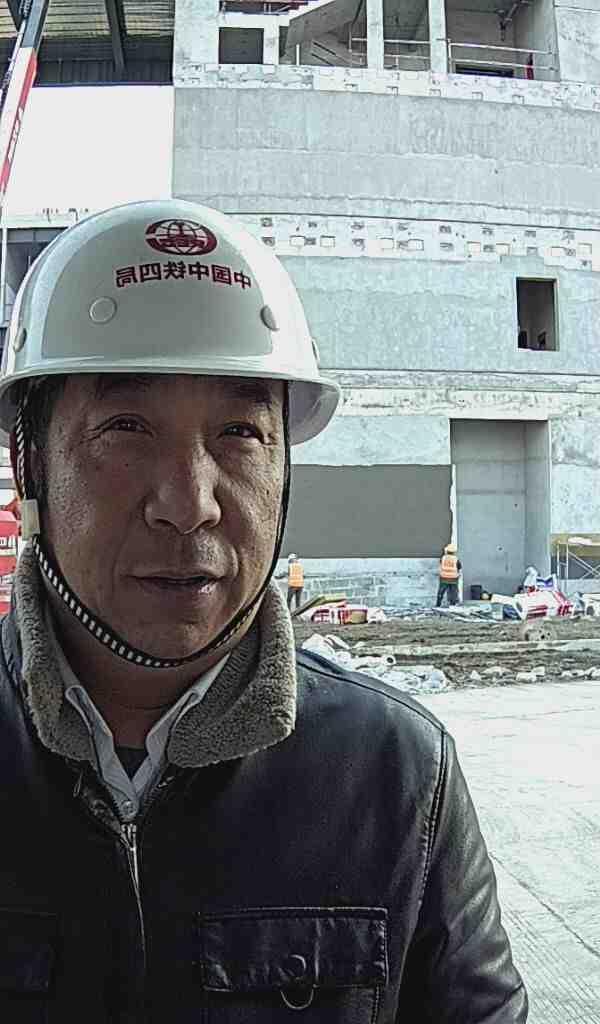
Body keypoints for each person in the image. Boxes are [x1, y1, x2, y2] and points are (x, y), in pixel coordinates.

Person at [0, 199, 527, 1021]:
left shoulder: (397, 773)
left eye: (239, 434)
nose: (190, 505)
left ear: (285, 471)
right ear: (28, 462)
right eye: (126, 427)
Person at [436, 542, 462, 607]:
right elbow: (459, 567)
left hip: (444, 577)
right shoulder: (456, 559)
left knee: (441, 591)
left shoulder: (443, 558)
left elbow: (441, 563)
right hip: (453, 578)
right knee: (453, 592)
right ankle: (452, 604)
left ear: (447, 551)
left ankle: (438, 604)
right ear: (454, 552)